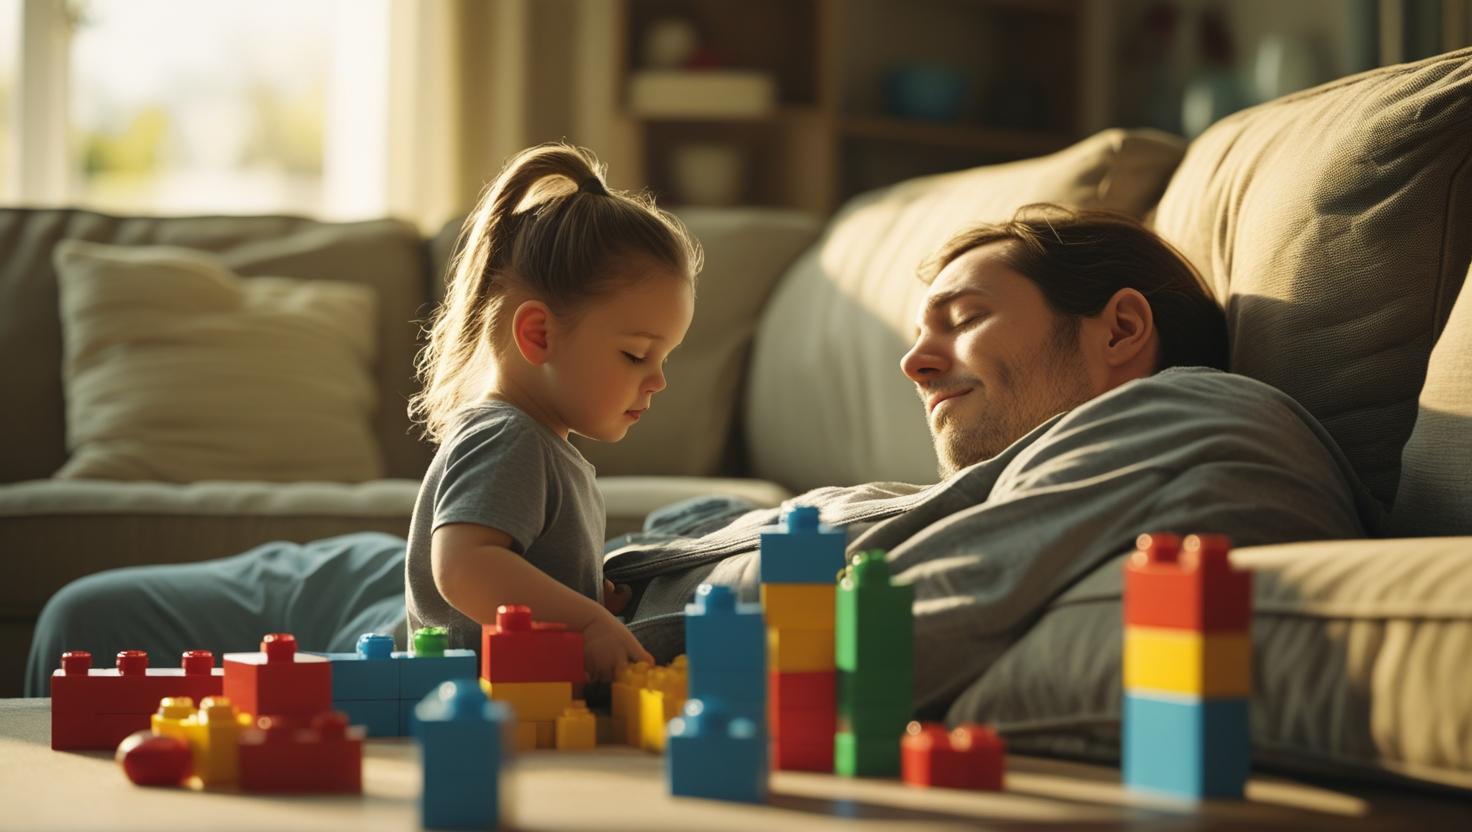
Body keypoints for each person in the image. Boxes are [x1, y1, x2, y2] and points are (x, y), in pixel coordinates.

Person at [25, 206, 1372, 710]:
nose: (913, 363)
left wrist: (635, 661)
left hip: (495, 629)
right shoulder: (970, 489)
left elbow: (893, 643)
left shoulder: (1208, 421)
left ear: (1121, 329)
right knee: (84, 625)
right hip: (469, 579)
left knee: (84, 630)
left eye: (958, 317)